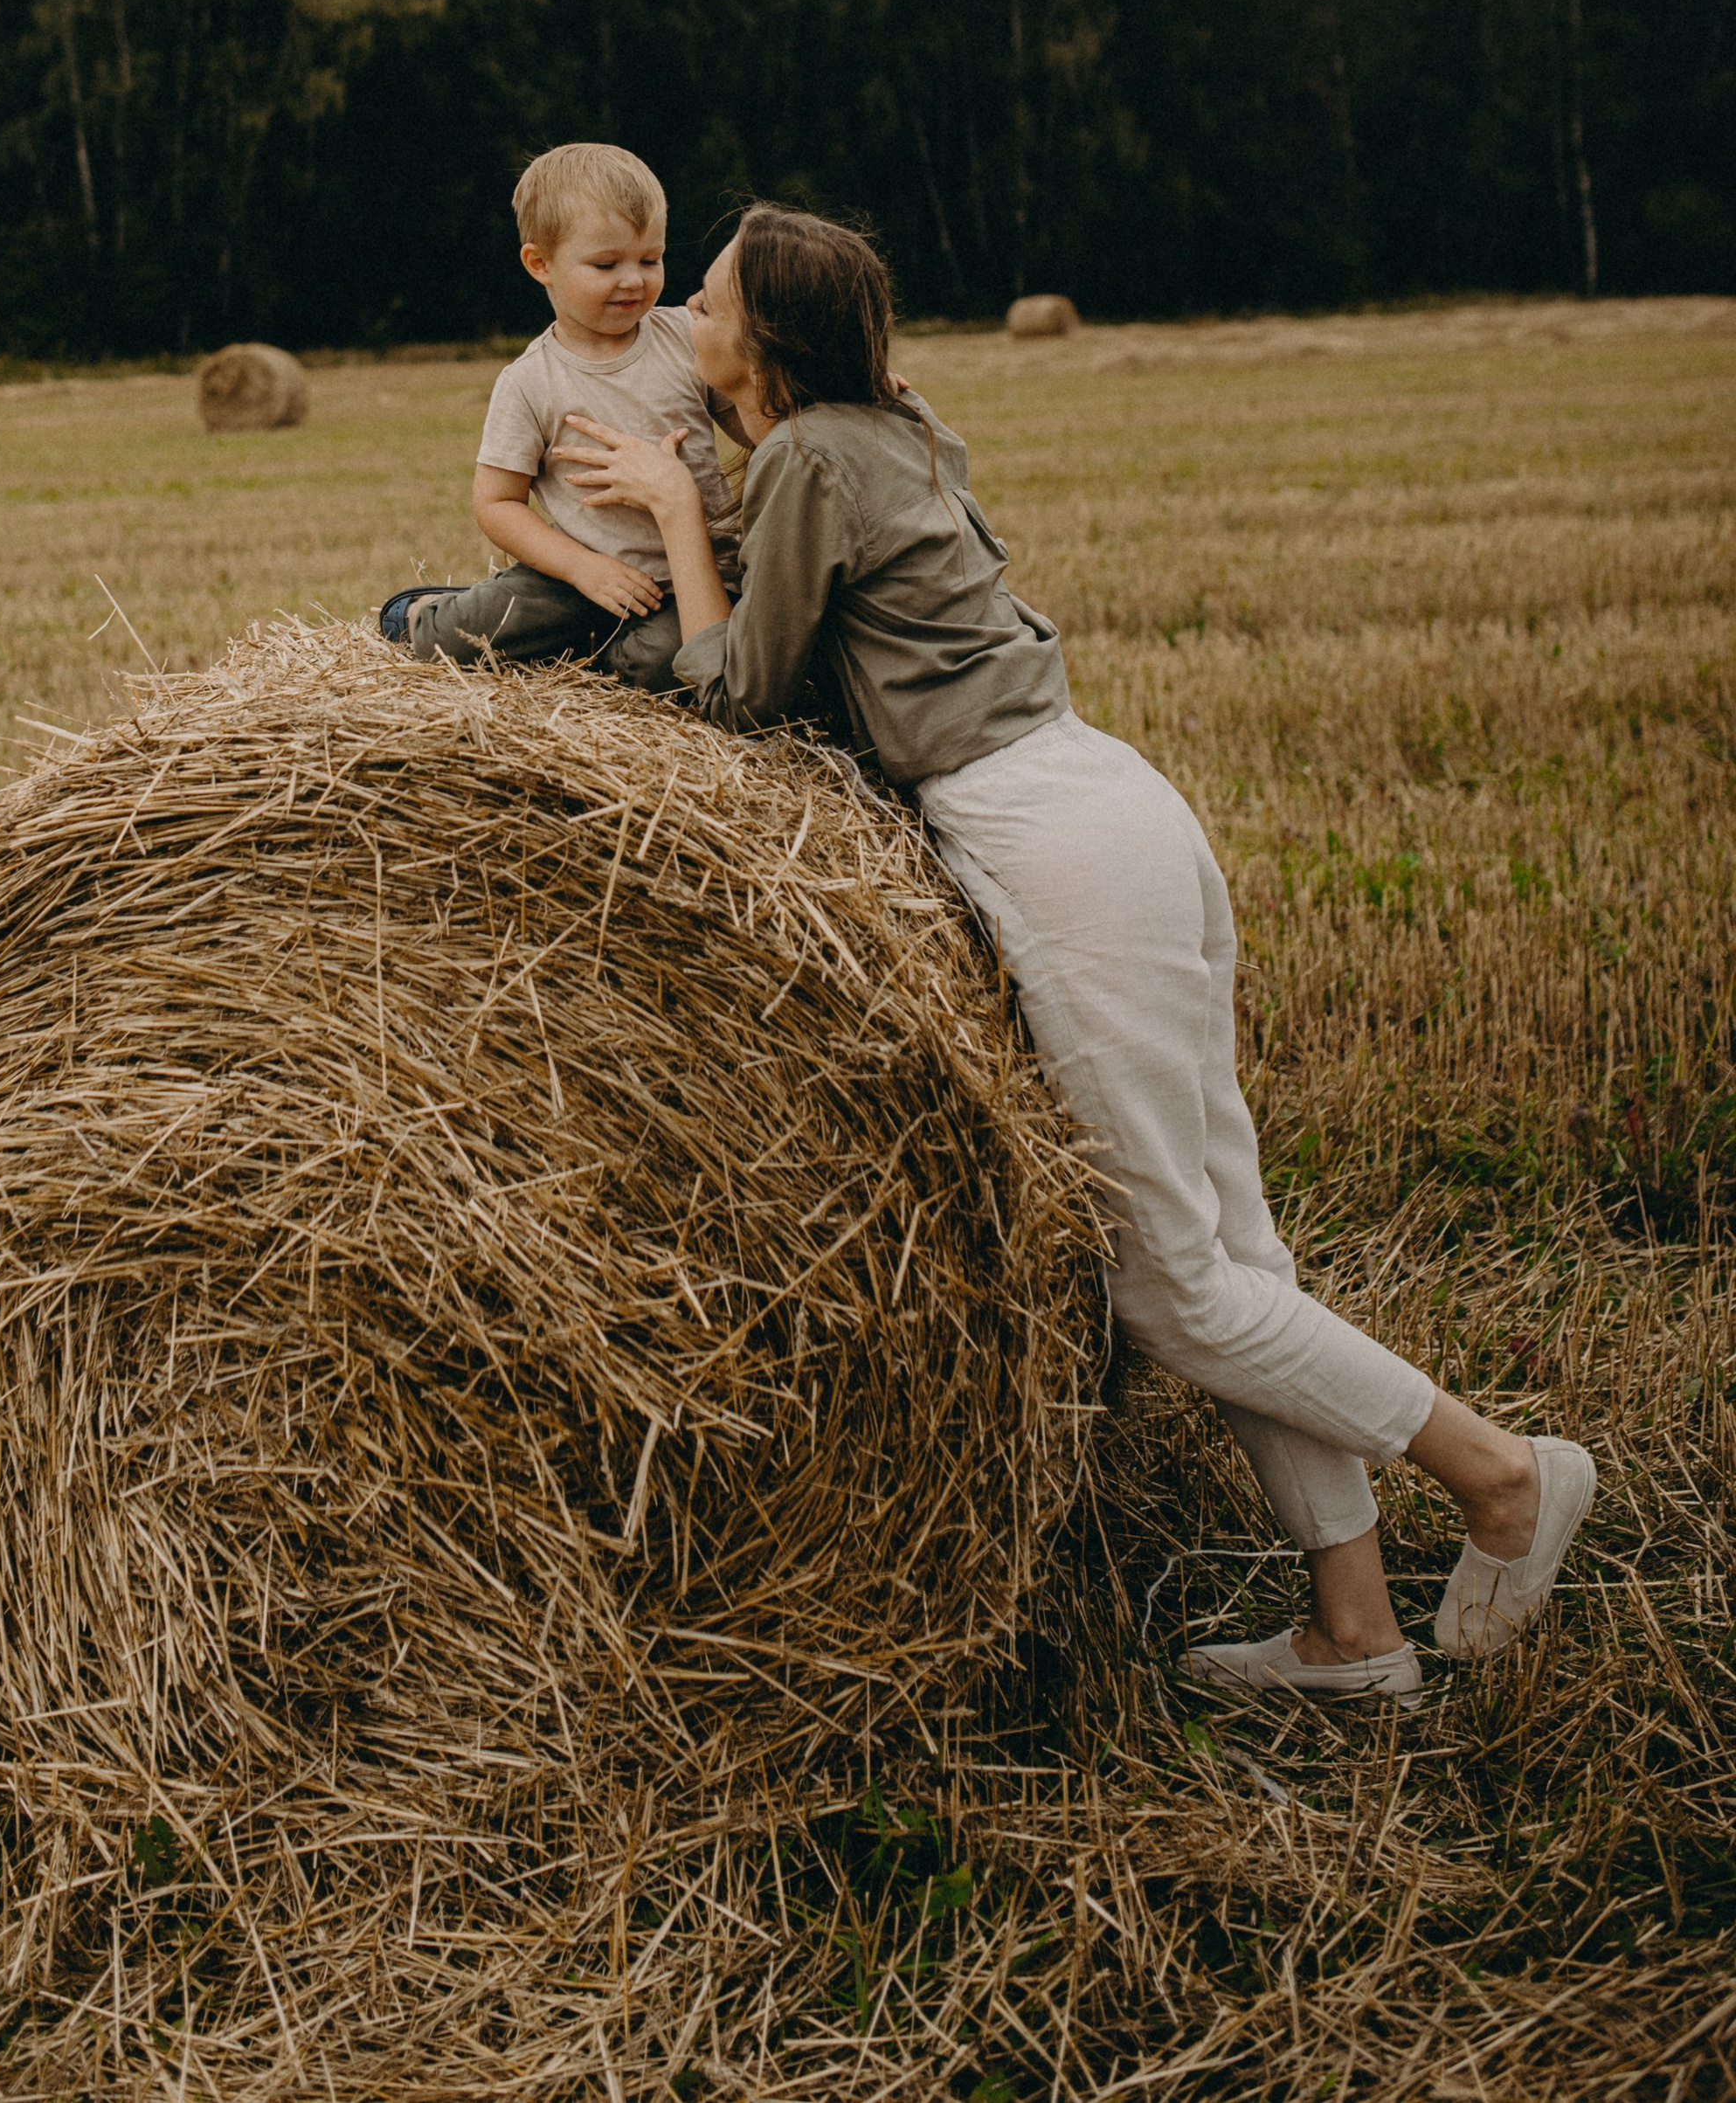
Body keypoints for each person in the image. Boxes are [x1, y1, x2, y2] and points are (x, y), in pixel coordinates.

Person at [551, 202, 1596, 1701]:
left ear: (762, 339)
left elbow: (741, 697)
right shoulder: (897, 427)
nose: (679, 320)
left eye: (703, 301)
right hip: (1118, 801)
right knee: (1233, 1251)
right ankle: (1354, 1631)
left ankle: (1502, 1475)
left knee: (1172, 1290)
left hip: (1051, 843)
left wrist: (669, 506)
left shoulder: (807, 457)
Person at [379, 142, 741, 692]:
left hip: (694, 576)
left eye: (650, 260)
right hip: (577, 577)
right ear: (540, 264)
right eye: (606, 265)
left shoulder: (687, 337)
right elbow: (498, 503)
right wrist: (581, 568)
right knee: (452, 643)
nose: (634, 280)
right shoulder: (528, 383)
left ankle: (594, 654)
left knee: (669, 666)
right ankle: (420, 612)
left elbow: (752, 420)